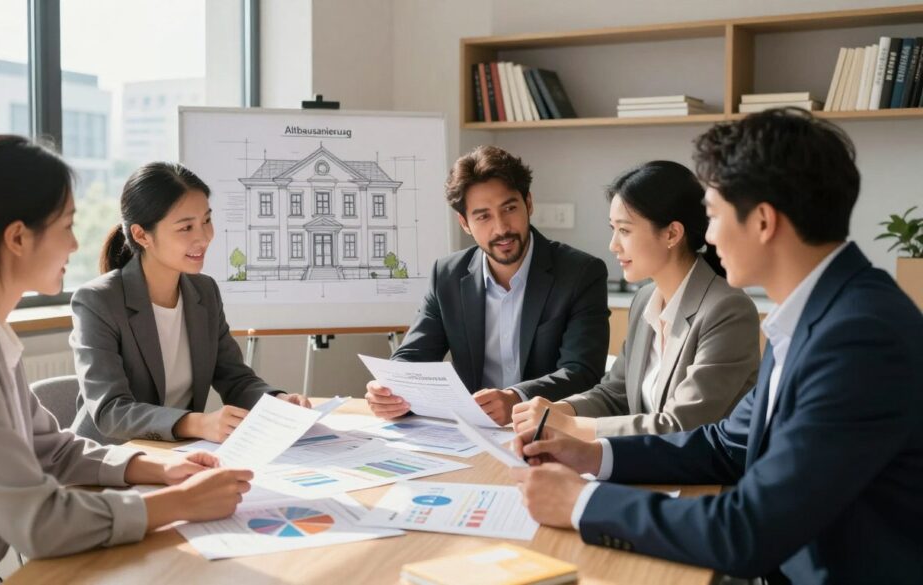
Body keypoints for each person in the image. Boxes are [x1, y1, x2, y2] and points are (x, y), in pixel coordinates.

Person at [511, 109, 923, 584]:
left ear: (763, 221)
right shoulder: (818, 314)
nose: (706, 235)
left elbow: (748, 530)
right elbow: (726, 442)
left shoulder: (859, 339)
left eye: (713, 215)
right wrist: (591, 455)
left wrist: (581, 502)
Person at [0, 136, 253, 584]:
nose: (74, 245)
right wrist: (180, 503)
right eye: (67, 226)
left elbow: (54, 448)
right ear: (17, 237)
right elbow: (39, 521)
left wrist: (159, 469)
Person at [511, 161, 760, 440]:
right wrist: (558, 411)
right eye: (612, 229)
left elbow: (679, 426)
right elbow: (615, 394)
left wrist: (568, 426)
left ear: (672, 234)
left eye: (625, 230)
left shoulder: (728, 310)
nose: (613, 245)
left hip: (705, 479)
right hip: (648, 466)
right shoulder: (644, 300)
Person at [365, 145, 610, 425]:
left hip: (550, 430)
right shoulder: (447, 275)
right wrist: (390, 389)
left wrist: (516, 398)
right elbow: (413, 356)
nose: (501, 228)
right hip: (473, 432)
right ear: (465, 223)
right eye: (483, 216)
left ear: (528, 203)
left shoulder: (580, 273)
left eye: (509, 208)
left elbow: (582, 372)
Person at [70, 162, 310, 445]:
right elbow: (111, 411)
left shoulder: (204, 291)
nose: (204, 237)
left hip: (176, 455)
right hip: (108, 461)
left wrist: (276, 401)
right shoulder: (97, 301)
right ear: (141, 235)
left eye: (206, 221)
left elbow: (235, 378)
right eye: (186, 227)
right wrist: (198, 423)